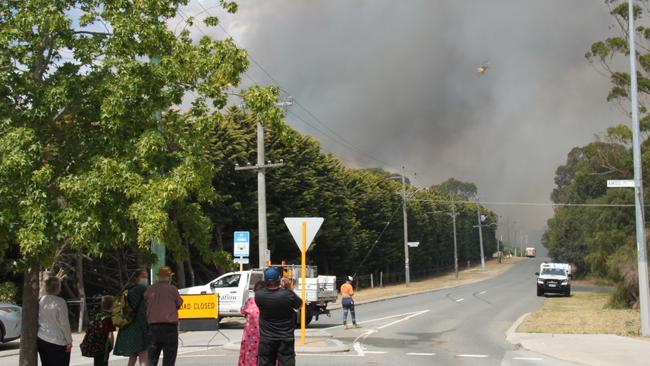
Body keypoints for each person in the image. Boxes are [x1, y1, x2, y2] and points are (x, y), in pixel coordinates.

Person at [255, 268, 302, 366]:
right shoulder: (287, 294)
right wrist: (289, 288)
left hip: (266, 338)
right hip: (285, 338)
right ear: (279, 279)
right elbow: (299, 304)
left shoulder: (259, 295)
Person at [144, 266, 183, 366]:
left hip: (153, 327)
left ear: (158, 277)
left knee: (152, 359)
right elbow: (179, 304)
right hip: (169, 328)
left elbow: (146, 302)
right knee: (169, 359)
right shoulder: (173, 289)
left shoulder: (150, 289)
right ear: (169, 278)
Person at [114, 269, 149, 366]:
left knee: (133, 355)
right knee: (143, 356)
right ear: (136, 278)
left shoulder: (127, 289)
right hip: (139, 326)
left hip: (128, 325)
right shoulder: (141, 289)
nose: (146, 279)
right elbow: (143, 312)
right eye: (143, 277)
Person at [37, 276, 73, 366]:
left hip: (42, 338)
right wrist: (69, 340)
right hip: (57, 340)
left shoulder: (41, 300)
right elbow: (64, 323)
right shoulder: (60, 302)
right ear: (57, 287)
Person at [238, 281, 266, 366]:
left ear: (254, 290)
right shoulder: (268, 301)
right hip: (266, 335)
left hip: (251, 336)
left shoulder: (250, 301)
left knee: (251, 358)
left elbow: (243, 310)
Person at [94, 295, 116, 366]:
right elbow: (110, 334)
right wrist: (112, 345)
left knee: (97, 361)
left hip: (96, 343)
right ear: (112, 305)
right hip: (105, 345)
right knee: (104, 362)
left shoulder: (98, 315)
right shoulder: (109, 318)